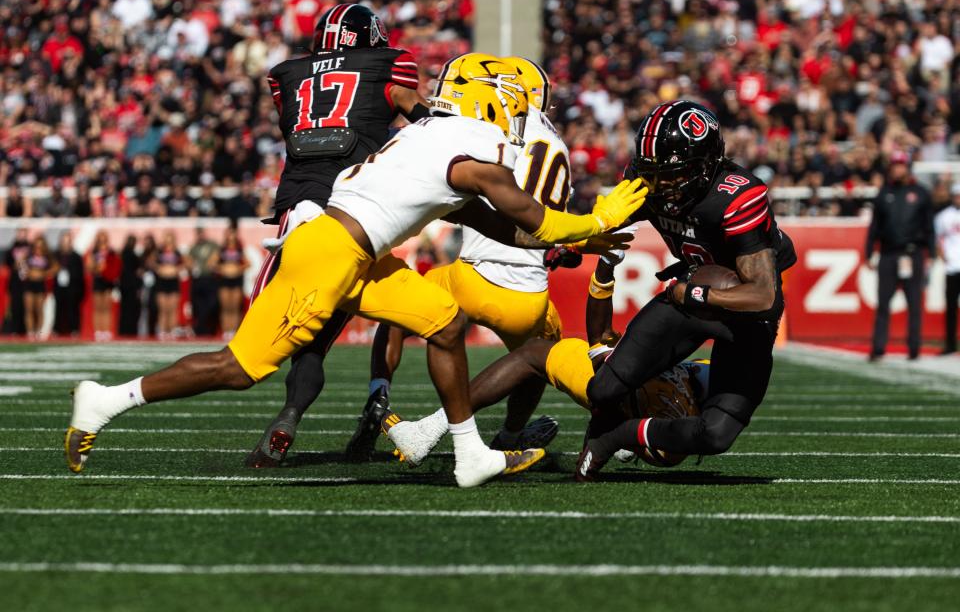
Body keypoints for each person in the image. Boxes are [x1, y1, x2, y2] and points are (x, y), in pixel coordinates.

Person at [65, 52, 645, 488]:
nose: (519, 118)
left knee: (443, 321)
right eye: (514, 106)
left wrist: (590, 229)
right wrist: (597, 218)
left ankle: (470, 454)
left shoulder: (435, 136)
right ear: (492, 104)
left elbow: (500, 226)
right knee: (240, 367)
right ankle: (109, 399)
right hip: (331, 254)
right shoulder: (471, 146)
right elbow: (536, 222)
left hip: (356, 250)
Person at [244, 3, 434, 467]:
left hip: (301, 207)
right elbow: (421, 118)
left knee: (287, 339)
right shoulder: (388, 65)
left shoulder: (285, 74)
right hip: (357, 210)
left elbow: (304, 118)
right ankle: (375, 395)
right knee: (391, 313)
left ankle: (289, 411)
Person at [353, 57, 572, 460]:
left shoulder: (489, 129)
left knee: (397, 301)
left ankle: (379, 393)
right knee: (539, 355)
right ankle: (510, 433)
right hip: (527, 297)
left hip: (472, 277)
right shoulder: (558, 145)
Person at [571, 100, 797, 481]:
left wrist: (691, 294)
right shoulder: (650, 181)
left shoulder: (737, 195)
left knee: (715, 434)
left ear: (706, 164)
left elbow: (762, 295)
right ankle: (671, 379)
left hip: (740, 311)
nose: (662, 185)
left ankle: (621, 435)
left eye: (674, 174)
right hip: (690, 297)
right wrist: (569, 242)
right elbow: (603, 224)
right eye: (654, 173)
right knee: (603, 391)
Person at [395, 254, 706, 468]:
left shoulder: (676, 322)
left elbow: (600, 340)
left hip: (650, 404)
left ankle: (430, 429)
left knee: (535, 352)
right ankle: (616, 435)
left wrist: (604, 269)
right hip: (669, 429)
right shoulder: (704, 339)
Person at [865, 152, 936, 361]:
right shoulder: (884, 193)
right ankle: (878, 348)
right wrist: (869, 252)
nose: (897, 169)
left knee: (914, 303)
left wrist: (930, 253)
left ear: (908, 167)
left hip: (912, 254)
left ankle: (914, 348)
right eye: (894, 165)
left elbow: (929, 226)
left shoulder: (921, 193)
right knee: (883, 304)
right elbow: (874, 227)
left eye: (901, 165)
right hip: (888, 254)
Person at [934, 182, 960, 355]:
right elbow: (937, 239)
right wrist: (943, 256)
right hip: (952, 267)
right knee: (951, 307)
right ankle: (950, 344)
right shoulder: (943, 216)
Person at [214, 226, 249, 339]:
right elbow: (212, 264)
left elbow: (248, 263)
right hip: (224, 281)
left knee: (234, 307)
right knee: (225, 307)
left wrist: (238, 269)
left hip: (236, 280)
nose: (231, 236)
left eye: (233, 233)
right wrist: (222, 268)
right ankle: (226, 330)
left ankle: (233, 330)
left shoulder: (239, 249)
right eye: (229, 233)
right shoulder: (221, 250)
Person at [86, 231, 120, 342]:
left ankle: (106, 331)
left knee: (107, 307)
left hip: (108, 281)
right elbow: (89, 267)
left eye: (104, 238)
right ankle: (98, 331)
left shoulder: (111, 252)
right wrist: (96, 267)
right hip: (98, 280)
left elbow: (116, 265)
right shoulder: (93, 252)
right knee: (97, 307)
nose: (102, 240)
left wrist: (108, 269)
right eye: (100, 238)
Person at [153, 231, 188, 340]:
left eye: (170, 239)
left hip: (173, 283)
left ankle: (172, 330)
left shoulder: (177, 253)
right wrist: (158, 268)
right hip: (161, 283)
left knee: (172, 308)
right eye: (166, 239)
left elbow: (186, 263)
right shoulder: (159, 252)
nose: (168, 241)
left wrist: (177, 269)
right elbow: (151, 263)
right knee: (163, 308)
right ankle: (163, 330)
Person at [23, 234, 57, 339]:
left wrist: (44, 274)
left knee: (39, 309)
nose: (38, 247)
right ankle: (30, 332)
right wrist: (28, 273)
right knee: (29, 309)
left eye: (41, 245)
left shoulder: (47, 256)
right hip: (29, 284)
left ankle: (39, 332)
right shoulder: (28, 256)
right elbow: (21, 267)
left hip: (40, 285)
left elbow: (55, 267)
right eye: (37, 245)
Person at [188, 227, 220, 336]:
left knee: (211, 304)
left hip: (210, 278)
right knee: (198, 305)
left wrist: (212, 263)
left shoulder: (212, 245)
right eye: (198, 234)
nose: (200, 236)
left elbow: (216, 256)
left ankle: (204, 327)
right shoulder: (194, 247)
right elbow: (189, 260)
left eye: (201, 233)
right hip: (198, 279)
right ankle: (201, 329)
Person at [53, 232, 85, 337]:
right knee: (58, 308)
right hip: (59, 286)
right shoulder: (56, 255)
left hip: (72, 287)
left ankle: (74, 329)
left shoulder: (76, 256)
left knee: (73, 309)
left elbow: (80, 273)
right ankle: (57, 330)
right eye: (64, 241)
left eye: (68, 241)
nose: (66, 244)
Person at [2, 228, 30, 335]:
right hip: (15, 282)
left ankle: (26, 330)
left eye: (24, 233)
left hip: (28, 282)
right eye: (20, 233)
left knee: (27, 307)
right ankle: (14, 329)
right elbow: (7, 264)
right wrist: (16, 264)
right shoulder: (11, 248)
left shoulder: (31, 248)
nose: (22, 236)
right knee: (15, 305)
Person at [118, 235, 142, 337]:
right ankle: (131, 331)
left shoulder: (122, 254)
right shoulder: (133, 256)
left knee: (125, 310)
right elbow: (138, 272)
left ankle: (123, 330)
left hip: (124, 285)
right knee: (131, 310)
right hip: (131, 286)